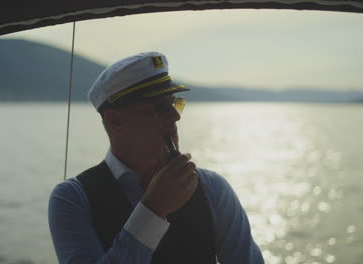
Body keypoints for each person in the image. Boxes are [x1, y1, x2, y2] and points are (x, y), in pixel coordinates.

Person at [48, 52, 264, 264]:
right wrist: (153, 210)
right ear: (116, 122)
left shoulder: (214, 189)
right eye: (160, 107)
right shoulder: (72, 199)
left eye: (174, 103)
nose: (175, 116)